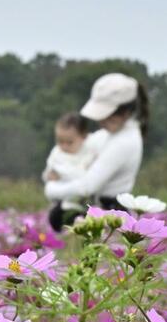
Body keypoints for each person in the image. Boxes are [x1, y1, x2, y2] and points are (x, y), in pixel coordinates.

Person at [45, 73, 148, 231]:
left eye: (107, 117)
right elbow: (75, 148)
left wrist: (51, 189)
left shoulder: (125, 141)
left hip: (110, 212)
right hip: (95, 207)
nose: (100, 121)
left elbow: (87, 186)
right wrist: (54, 170)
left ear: (125, 112)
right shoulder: (108, 134)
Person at [43, 112, 108, 231]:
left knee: (88, 221)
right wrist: (49, 175)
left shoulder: (89, 151)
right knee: (56, 218)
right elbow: (49, 171)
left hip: (86, 201)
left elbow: (92, 176)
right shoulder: (57, 152)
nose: (64, 146)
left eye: (69, 142)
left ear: (83, 137)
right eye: (60, 141)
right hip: (63, 200)